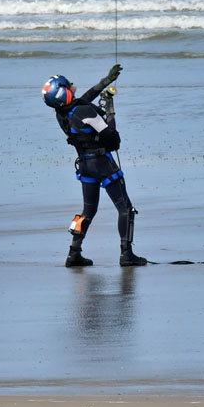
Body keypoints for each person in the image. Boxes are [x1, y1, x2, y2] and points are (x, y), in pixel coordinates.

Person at [42, 64, 147, 267]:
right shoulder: (85, 111)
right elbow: (113, 140)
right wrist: (110, 111)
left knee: (86, 212)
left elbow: (84, 98)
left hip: (85, 167)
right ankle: (126, 254)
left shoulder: (63, 113)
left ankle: (73, 253)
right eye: (68, 85)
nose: (72, 85)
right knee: (125, 209)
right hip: (102, 165)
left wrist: (105, 81)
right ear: (63, 93)